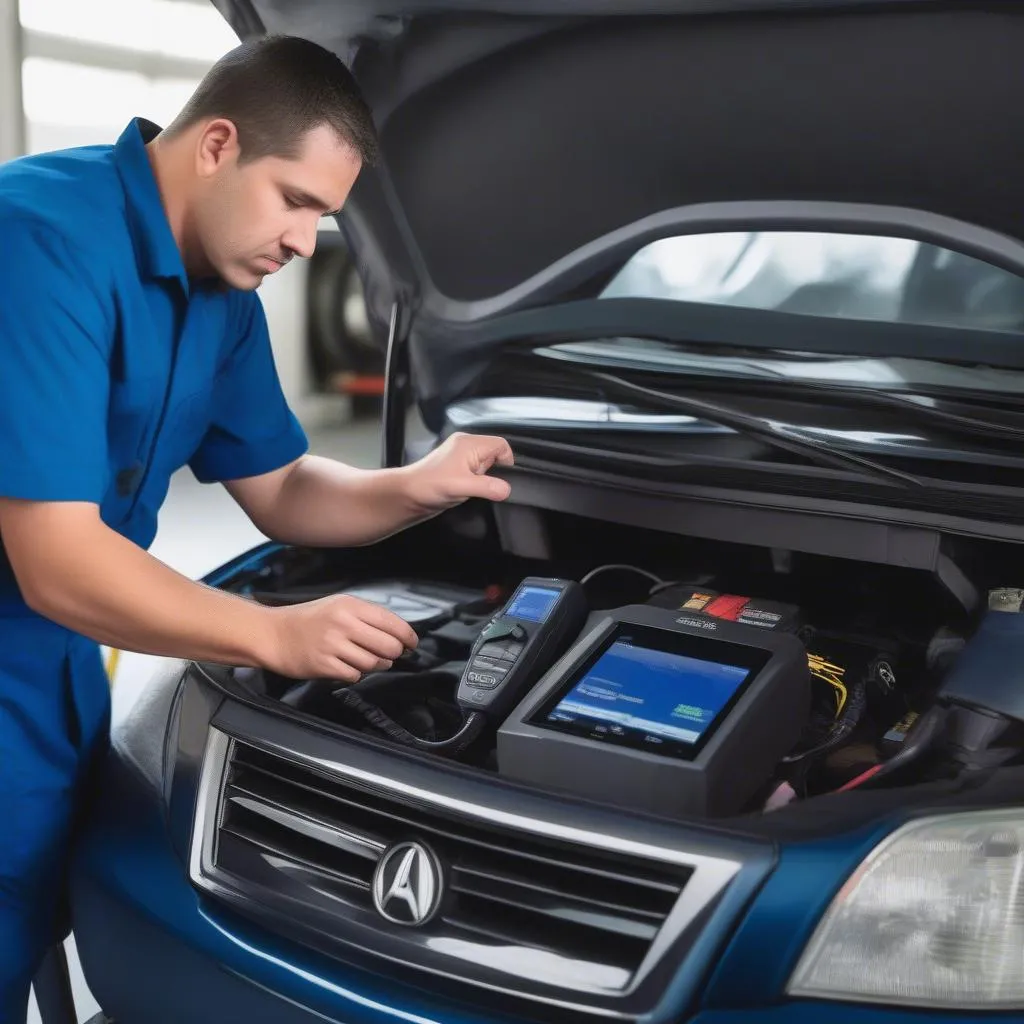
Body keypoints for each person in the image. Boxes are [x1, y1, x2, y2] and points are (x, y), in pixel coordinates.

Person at [0, 34, 514, 1019]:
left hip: (56, 666)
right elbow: (58, 562)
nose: (307, 241)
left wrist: (419, 484)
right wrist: (278, 632)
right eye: (299, 199)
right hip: (35, 624)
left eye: (326, 216)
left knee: (38, 917)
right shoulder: (40, 239)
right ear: (217, 144)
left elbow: (280, 488)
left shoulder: (222, 292)